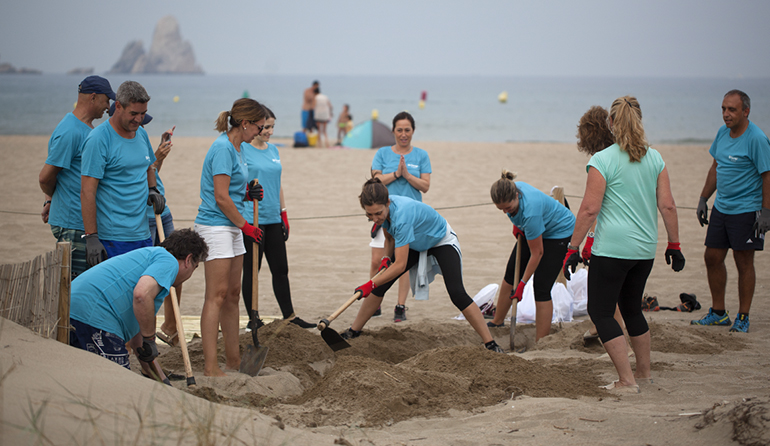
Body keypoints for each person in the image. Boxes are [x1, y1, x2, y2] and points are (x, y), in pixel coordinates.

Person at [564, 96, 684, 393]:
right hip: (644, 250)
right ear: (639, 121)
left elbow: (589, 209)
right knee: (632, 309)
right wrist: (674, 244)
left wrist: (572, 248)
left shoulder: (602, 160)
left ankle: (626, 381)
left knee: (601, 312)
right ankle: (643, 374)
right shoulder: (655, 158)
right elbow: (667, 206)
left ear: (612, 123)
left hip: (613, 250)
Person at [343, 178, 505, 354]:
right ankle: (354, 331)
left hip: (440, 240)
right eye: (369, 215)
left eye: (378, 213)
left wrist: (371, 283)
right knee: (381, 285)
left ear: (388, 202)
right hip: (415, 242)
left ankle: (490, 343)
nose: (375, 218)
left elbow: (400, 265)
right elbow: (389, 237)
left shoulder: (402, 216)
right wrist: (385, 259)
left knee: (457, 293)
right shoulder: (383, 212)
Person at [68, 228, 207, 384]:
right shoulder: (168, 261)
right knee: (115, 385)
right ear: (188, 260)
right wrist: (150, 338)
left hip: (71, 310)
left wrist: (161, 379)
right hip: (94, 316)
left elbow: (138, 344)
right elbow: (141, 295)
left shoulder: (148, 259)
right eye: (195, 268)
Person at [195, 98, 266, 377]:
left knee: (234, 295)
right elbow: (221, 197)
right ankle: (211, 367)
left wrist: (248, 195)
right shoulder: (223, 148)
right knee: (217, 295)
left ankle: (234, 362)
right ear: (245, 123)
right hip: (215, 226)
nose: (260, 132)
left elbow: (233, 191)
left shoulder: (239, 148)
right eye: (258, 127)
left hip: (233, 226)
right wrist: (246, 226)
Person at [692, 90, 770, 333]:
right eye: (724, 109)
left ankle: (743, 317)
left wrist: (766, 211)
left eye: (732, 110)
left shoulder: (756, 138)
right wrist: (704, 198)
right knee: (712, 257)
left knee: (743, 261)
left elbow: (767, 175)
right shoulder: (722, 133)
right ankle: (718, 313)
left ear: (745, 111)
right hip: (722, 208)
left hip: (747, 210)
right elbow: (716, 167)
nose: (726, 114)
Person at [240, 107, 315, 330]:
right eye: (266, 126)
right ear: (255, 124)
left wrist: (283, 213)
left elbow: (277, 183)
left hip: (273, 217)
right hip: (252, 218)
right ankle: (254, 319)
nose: (269, 131)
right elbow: (236, 180)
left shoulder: (273, 150)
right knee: (253, 271)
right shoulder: (242, 149)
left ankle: (290, 316)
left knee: (281, 269)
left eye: (272, 126)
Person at [80, 81, 166, 266]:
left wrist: (153, 190)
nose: (139, 119)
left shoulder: (140, 134)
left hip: (142, 234)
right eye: (133, 114)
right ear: (118, 106)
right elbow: (87, 192)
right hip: (113, 238)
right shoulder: (99, 139)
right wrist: (91, 237)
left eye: (143, 114)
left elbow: (148, 165)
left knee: (140, 293)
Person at [38, 76, 115, 279]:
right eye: (106, 100)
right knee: (74, 289)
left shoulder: (84, 128)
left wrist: (50, 199)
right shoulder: (71, 131)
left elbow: (65, 173)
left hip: (81, 221)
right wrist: (51, 196)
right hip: (73, 223)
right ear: (93, 97)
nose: (108, 107)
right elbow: (45, 177)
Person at [486, 171, 575, 341]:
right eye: (501, 209)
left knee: (541, 287)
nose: (505, 212)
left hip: (559, 232)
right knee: (510, 273)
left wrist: (522, 284)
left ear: (517, 196)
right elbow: (515, 215)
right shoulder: (512, 190)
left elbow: (538, 253)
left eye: (508, 208)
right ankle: (497, 322)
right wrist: (517, 223)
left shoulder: (530, 213)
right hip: (534, 227)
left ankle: (541, 340)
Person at [370, 111, 431, 322]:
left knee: (402, 263)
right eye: (399, 130)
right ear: (393, 131)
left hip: (409, 219)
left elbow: (425, 186)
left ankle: (400, 306)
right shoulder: (383, 153)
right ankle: (374, 301)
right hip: (383, 215)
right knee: (377, 260)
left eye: (407, 130)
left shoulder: (421, 155)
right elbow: (375, 181)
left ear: (412, 131)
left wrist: (407, 176)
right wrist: (396, 174)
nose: (403, 134)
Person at [575, 106, 629, 342]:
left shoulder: (602, 160)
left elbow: (594, 207)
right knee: (611, 291)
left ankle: (622, 341)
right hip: (632, 231)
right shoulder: (626, 153)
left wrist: (589, 239)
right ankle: (599, 328)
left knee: (606, 295)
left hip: (611, 233)